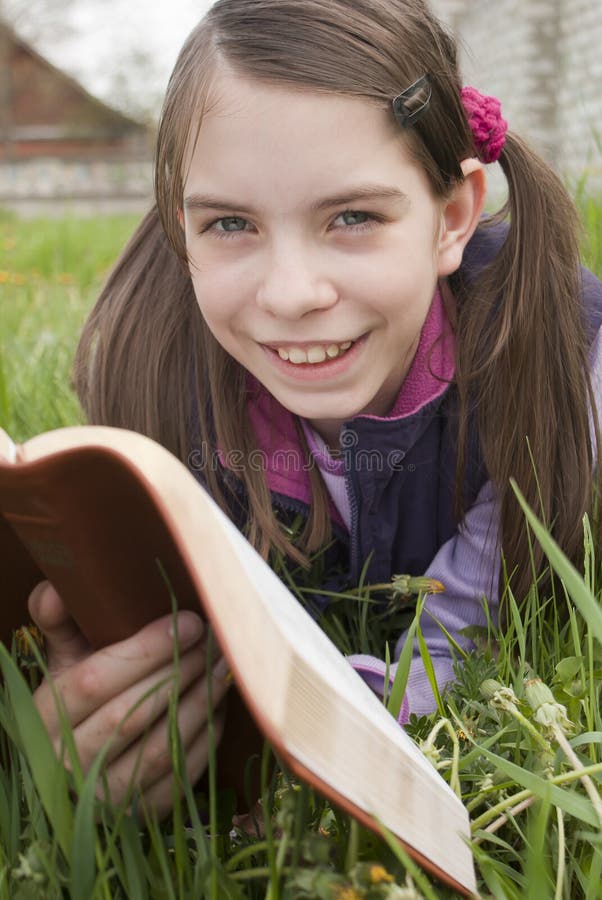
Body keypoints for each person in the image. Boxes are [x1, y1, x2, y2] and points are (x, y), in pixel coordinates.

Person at [28, 0, 602, 819]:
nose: (293, 295)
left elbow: (457, 638)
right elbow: (164, 624)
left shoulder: (553, 359)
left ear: (451, 219)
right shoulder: (146, 375)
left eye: (353, 217)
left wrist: (346, 725)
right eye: (230, 223)